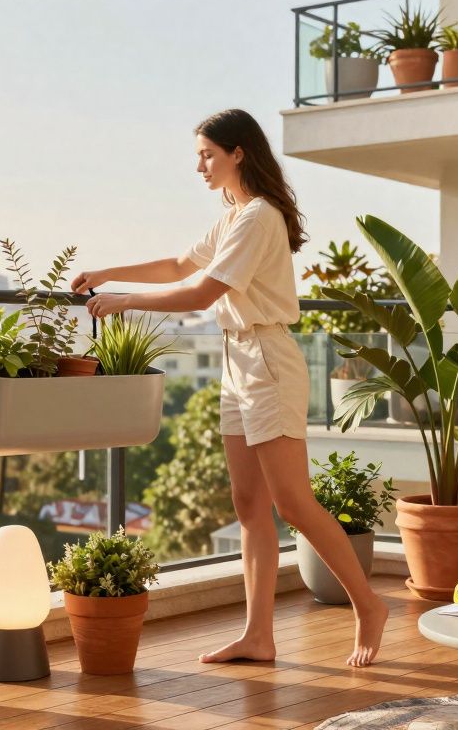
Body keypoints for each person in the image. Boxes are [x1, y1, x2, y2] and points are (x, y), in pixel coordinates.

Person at [72, 108, 388, 667]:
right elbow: (177, 265)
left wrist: (122, 301)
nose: (199, 166)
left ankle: (368, 604)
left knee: (293, 502)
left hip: (266, 357)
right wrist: (105, 274)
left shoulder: (259, 217)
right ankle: (258, 635)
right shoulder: (234, 215)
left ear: (238, 152)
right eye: (198, 156)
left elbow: (200, 293)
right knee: (249, 505)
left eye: (206, 155)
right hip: (236, 360)